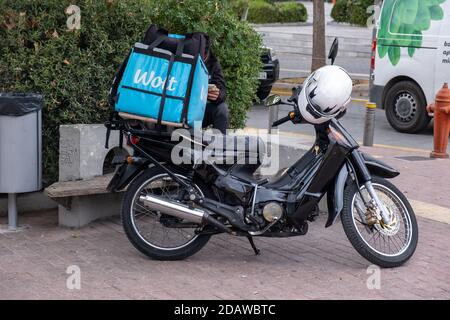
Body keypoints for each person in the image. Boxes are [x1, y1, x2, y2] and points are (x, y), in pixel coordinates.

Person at [202, 46, 229, 134]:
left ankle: (219, 144)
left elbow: (223, 91)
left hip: (201, 111)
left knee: (222, 109)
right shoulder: (183, 60)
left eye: (204, 56)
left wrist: (218, 95)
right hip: (181, 109)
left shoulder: (213, 64)